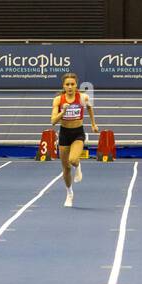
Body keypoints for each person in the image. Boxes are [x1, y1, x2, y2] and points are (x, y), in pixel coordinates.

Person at [50, 72, 99, 208]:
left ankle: (77, 165)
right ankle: (69, 193)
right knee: (66, 168)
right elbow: (53, 121)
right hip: (64, 134)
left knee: (72, 160)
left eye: (72, 84)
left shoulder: (83, 97)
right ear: (63, 86)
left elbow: (90, 108)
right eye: (67, 84)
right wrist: (63, 112)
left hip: (78, 133)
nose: (70, 87)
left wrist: (93, 124)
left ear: (76, 85)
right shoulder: (58, 100)